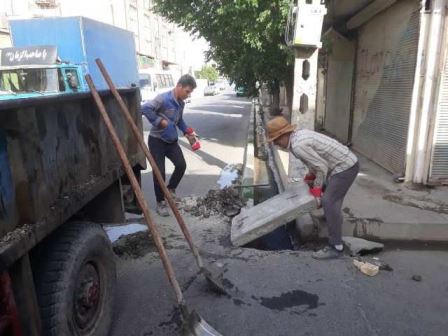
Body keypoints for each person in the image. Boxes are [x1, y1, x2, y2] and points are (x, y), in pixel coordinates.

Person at [266, 116, 359, 260]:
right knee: (331, 198)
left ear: (283, 135)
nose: (276, 144)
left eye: (276, 140)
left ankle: (336, 247)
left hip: (345, 167)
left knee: (328, 200)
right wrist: (311, 175)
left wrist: (317, 187)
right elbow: (315, 161)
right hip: (343, 163)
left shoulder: (298, 146)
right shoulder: (298, 137)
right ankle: (331, 217)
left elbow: (321, 166)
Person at [142, 74, 197, 216]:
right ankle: (160, 203)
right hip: (157, 142)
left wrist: (187, 132)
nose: (188, 95)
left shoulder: (181, 103)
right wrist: (160, 121)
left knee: (181, 165)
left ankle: (170, 190)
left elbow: (179, 121)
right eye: (187, 91)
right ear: (179, 86)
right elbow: (146, 108)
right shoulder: (163, 98)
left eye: (190, 92)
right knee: (159, 172)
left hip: (171, 141)